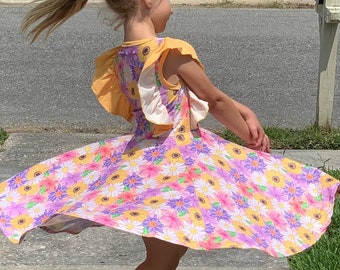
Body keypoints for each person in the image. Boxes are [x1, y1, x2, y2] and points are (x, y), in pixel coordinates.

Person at [0, 0, 339, 269]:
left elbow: (188, 92)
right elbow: (214, 99)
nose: (173, 8)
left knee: (170, 255)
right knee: (162, 261)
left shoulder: (123, 56)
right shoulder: (169, 51)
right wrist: (247, 134)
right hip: (174, 167)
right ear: (149, 1)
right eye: (168, 0)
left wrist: (244, 109)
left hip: (147, 161)